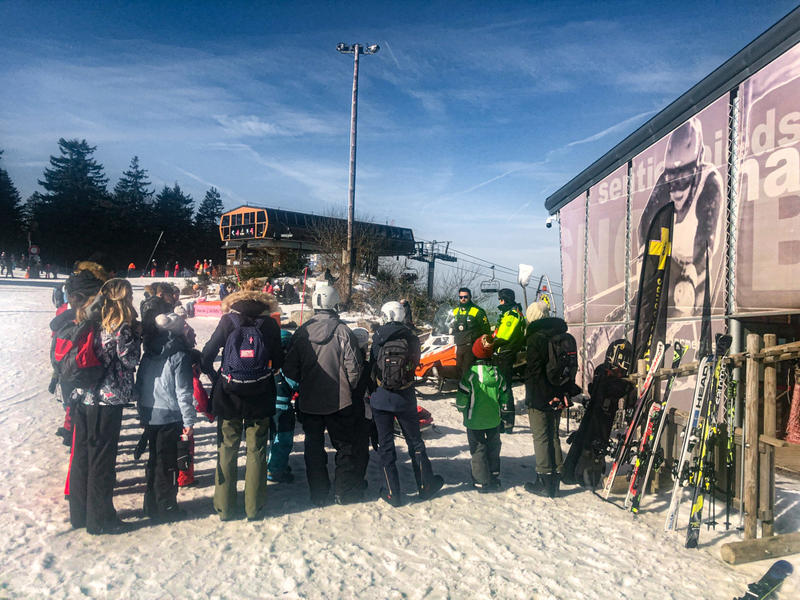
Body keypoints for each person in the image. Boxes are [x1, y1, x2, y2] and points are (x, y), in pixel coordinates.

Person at [201, 287, 283, 521]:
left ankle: (224, 508)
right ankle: (253, 507)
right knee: (256, 449)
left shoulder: (228, 321)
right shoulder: (269, 325)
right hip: (260, 393)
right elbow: (279, 360)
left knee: (227, 448)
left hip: (229, 392)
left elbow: (207, 355)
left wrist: (218, 377)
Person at [68, 276, 141, 534]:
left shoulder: (90, 320)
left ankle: (79, 513)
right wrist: (137, 339)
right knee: (102, 459)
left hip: (84, 395)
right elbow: (130, 359)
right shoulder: (119, 325)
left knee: (82, 455)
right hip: (108, 399)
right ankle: (99, 519)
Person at [282, 282, 364, 506]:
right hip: (340, 401)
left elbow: (289, 368)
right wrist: (348, 387)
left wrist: (304, 383)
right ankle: (343, 491)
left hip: (309, 401)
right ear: (335, 303)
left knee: (313, 446)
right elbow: (354, 369)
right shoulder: (344, 332)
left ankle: (318, 492)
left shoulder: (302, 332)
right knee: (344, 446)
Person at [637, 118, 724, 317]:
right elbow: (646, 222)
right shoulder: (665, 183)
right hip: (671, 256)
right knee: (648, 300)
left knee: (688, 303)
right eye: (671, 177)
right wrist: (647, 257)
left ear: (697, 164)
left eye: (683, 178)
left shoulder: (710, 183)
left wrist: (692, 274)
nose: (676, 188)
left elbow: (706, 238)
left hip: (698, 261)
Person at [369, 301, 443, 506]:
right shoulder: (411, 337)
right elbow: (415, 364)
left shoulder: (378, 337)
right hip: (405, 398)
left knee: (386, 445)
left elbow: (372, 365)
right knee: (415, 442)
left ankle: (393, 492)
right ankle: (425, 485)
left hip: (381, 398)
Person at [136, 312, 197, 521]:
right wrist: (189, 421)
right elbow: (184, 391)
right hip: (170, 414)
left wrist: (142, 410)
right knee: (167, 462)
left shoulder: (149, 351)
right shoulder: (179, 355)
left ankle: (151, 503)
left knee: (154, 459)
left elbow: (141, 382)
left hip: (150, 410)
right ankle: (166, 506)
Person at [523, 300, 580, 498]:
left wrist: (538, 398)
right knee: (553, 434)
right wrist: (561, 393)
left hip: (540, 396)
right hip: (560, 393)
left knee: (541, 437)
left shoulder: (535, 338)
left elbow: (534, 373)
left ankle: (544, 481)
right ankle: (557, 476)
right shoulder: (561, 336)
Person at [456, 334, 509, 493]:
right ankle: (494, 476)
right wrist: (504, 408)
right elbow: (505, 394)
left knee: (478, 449)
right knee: (494, 447)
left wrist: (460, 407)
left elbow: (462, 398)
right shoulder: (497, 373)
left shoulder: (470, 375)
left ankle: (480, 480)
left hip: (474, 421)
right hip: (494, 419)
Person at [492, 288, 526, 433]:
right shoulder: (508, 313)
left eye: (500, 299)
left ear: (505, 299)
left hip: (505, 354)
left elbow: (504, 336)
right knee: (501, 387)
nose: (499, 301)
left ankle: (507, 421)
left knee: (504, 387)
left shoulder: (512, 315)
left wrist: (489, 343)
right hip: (502, 353)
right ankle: (501, 418)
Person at [268, 329, 298, 483]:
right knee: (283, 440)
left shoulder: (266, 362)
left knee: (274, 438)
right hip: (283, 408)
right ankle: (275, 470)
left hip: (267, 407)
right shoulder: (286, 366)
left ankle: (275, 465)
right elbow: (295, 384)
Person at [452, 287, 490, 378]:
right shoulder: (455, 311)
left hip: (471, 345)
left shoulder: (478, 311)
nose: (463, 299)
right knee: (458, 368)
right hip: (459, 344)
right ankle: (461, 387)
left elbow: (486, 329)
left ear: (470, 297)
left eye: (465, 297)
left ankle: (469, 388)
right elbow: (450, 324)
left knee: (467, 369)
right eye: (461, 297)